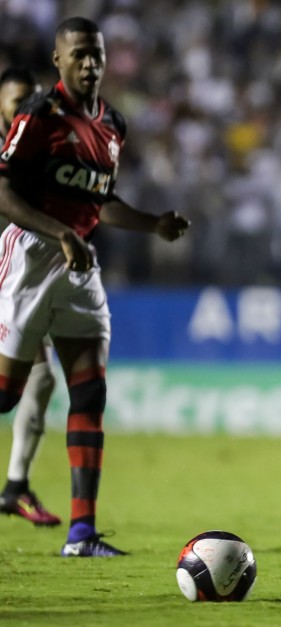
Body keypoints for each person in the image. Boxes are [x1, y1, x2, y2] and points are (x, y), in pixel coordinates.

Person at [0, 17, 190, 556]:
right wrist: (59, 232)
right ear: (58, 60)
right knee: (6, 395)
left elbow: (99, 202)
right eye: (80, 54)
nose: (90, 63)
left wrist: (152, 223)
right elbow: (4, 194)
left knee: (88, 394)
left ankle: (82, 533)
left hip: (81, 265)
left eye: (97, 55)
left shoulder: (113, 124)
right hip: (32, 260)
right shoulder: (39, 116)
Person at [0, 67, 61, 527]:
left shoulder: (39, 155)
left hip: (20, 284)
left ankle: (15, 488)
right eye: (16, 99)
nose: (23, 107)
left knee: (39, 382)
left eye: (29, 100)